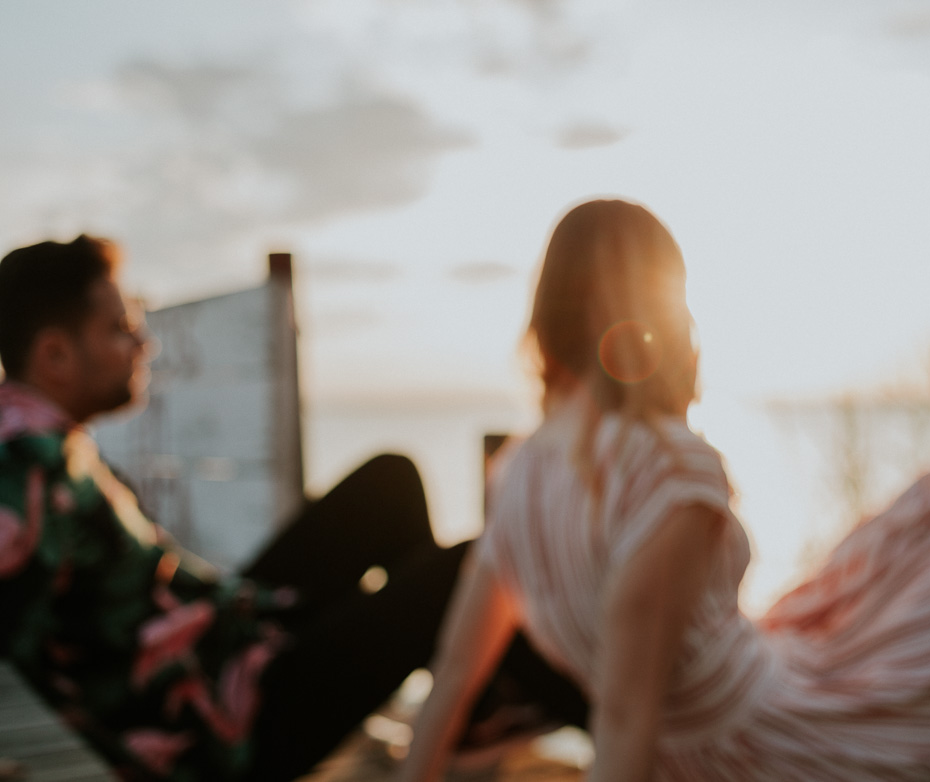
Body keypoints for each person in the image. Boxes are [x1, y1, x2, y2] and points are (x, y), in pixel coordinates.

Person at [401, 198, 930, 782]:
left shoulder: (517, 478)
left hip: (747, 682)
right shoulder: (670, 472)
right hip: (760, 747)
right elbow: (627, 717)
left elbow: (453, 676)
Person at [0, 236, 586, 781]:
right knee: (466, 569)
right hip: (232, 732)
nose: (142, 340)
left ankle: (476, 702)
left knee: (391, 485)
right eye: (119, 327)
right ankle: (614, 717)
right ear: (54, 355)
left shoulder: (42, 446)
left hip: (230, 643)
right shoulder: (27, 470)